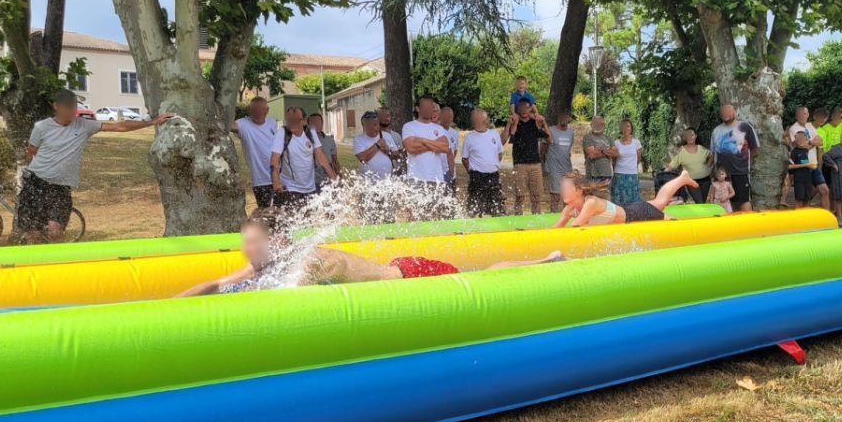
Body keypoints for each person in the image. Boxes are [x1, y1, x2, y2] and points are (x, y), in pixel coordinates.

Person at [177, 209, 564, 296]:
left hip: (411, 276)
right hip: (396, 272)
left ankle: (547, 261)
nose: (246, 250)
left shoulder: (307, 262)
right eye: (244, 241)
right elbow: (219, 283)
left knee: (481, 279)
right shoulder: (273, 262)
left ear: (275, 241)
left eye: (253, 242)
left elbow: (280, 302)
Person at [18, 88, 173, 242]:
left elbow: (120, 126)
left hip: (61, 187)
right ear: (56, 106)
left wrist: (153, 122)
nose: (71, 110)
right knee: (33, 234)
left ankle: (56, 255)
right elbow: (31, 153)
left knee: (55, 231)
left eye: (74, 106)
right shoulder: (42, 127)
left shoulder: (84, 125)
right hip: (36, 182)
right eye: (67, 106)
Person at [554, 170, 697, 227]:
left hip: (637, 213)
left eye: (566, 188)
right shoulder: (569, 209)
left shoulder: (590, 203)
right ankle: (682, 178)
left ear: (579, 190)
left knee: (674, 223)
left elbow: (575, 228)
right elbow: (554, 230)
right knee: (659, 202)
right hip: (628, 209)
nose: (562, 191)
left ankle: (682, 179)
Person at [270, 106, 338, 209]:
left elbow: (320, 156)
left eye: (296, 120)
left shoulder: (310, 132)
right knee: (293, 216)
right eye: (289, 120)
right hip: (290, 187)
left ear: (304, 121)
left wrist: (333, 177)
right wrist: (276, 182)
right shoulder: (282, 132)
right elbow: (274, 159)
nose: (292, 123)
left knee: (309, 216)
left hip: (310, 188)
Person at [504, 99, 551, 214]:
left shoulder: (534, 123)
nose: (524, 110)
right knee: (520, 195)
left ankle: (536, 217)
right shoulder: (515, 123)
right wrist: (511, 124)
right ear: (518, 109)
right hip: (520, 164)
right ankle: (518, 217)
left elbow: (549, 139)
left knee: (536, 196)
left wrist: (543, 123)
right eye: (522, 107)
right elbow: (509, 139)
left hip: (535, 164)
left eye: (527, 107)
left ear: (531, 108)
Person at [230, 96, 278, 208]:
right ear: (249, 111)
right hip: (261, 180)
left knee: (283, 212)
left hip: (279, 177)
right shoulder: (242, 124)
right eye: (254, 110)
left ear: (266, 110)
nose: (257, 113)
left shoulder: (272, 123)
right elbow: (227, 126)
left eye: (260, 110)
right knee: (266, 212)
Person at [709, 104, 759, 211]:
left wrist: (743, 160)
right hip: (721, 175)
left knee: (744, 200)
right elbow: (713, 153)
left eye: (728, 111)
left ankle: (748, 221)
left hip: (740, 172)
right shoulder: (716, 131)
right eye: (723, 112)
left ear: (734, 112)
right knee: (725, 202)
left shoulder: (745, 127)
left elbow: (755, 149)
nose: (725, 114)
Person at [461, 107, 505, 216]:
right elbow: (464, 158)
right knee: (475, 209)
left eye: (478, 119)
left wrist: (491, 165)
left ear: (485, 120)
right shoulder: (469, 137)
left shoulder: (494, 134)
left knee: (497, 207)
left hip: (493, 176)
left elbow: (499, 154)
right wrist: (472, 172)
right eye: (474, 119)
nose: (475, 122)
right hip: (477, 177)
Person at [401, 95, 450, 188]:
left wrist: (423, 140)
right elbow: (411, 148)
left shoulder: (439, 128)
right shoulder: (409, 126)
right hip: (416, 178)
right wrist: (435, 145)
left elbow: (445, 148)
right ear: (418, 108)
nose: (429, 109)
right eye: (425, 106)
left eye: (430, 106)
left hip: (437, 179)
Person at [787, 105, 830, 210]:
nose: (803, 116)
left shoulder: (810, 126)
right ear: (796, 116)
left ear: (808, 115)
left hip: (813, 164)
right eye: (800, 114)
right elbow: (801, 145)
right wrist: (812, 142)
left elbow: (821, 141)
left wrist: (809, 142)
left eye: (805, 114)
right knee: (803, 197)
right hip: (802, 167)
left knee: (824, 190)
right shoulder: (793, 128)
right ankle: (802, 216)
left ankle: (827, 216)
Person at [661, 128, 712, 203]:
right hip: (691, 181)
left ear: (696, 136)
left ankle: (700, 211)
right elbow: (672, 165)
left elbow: (711, 155)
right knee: (700, 202)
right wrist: (662, 174)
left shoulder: (701, 148)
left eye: (692, 135)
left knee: (702, 203)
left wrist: (708, 165)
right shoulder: (681, 151)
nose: (690, 137)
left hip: (705, 180)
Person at [542, 109, 575, 211]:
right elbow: (543, 149)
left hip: (567, 168)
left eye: (566, 116)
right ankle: (553, 216)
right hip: (554, 169)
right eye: (562, 116)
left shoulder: (571, 132)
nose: (564, 118)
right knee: (555, 196)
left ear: (569, 118)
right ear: (558, 117)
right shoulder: (550, 130)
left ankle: (566, 216)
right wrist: (545, 164)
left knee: (568, 196)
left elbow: (568, 150)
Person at [353, 110, 399, 179]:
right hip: (368, 181)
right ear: (364, 126)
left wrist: (388, 152)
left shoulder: (387, 136)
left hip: (387, 180)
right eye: (369, 126)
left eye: (375, 124)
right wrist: (377, 145)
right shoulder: (358, 139)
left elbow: (397, 155)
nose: (373, 128)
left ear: (378, 124)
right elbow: (362, 158)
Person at [582, 115, 617, 197]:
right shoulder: (588, 138)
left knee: (606, 199)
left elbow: (615, 154)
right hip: (593, 175)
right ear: (591, 125)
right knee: (593, 198)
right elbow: (592, 155)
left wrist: (601, 150)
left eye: (600, 124)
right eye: (595, 123)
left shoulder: (609, 138)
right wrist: (607, 152)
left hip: (607, 174)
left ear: (603, 125)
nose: (598, 125)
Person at [611, 119, 643, 206]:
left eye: (628, 126)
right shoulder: (616, 143)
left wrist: (631, 167)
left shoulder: (636, 142)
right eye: (623, 126)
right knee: (619, 201)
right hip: (619, 175)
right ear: (620, 128)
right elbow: (614, 160)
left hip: (632, 175)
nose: (626, 128)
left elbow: (638, 159)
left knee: (633, 201)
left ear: (631, 128)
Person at [307, 113, 338, 191]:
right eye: (313, 122)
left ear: (322, 123)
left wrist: (338, 175)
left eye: (318, 122)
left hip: (328, 180)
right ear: (308, 125)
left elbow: (335, 160)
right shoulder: (305, 140)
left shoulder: (330, 140)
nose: (316, 124)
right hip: (312, 182)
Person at [819, 107, 842, 194]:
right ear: (832, 116)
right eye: (837, 116)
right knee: (825, 185)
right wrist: (820, 165)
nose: (839, 119)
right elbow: (821, 149)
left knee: (835, 186)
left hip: (839, 161)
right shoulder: (824, 129)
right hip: (827, 160)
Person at [787, 131, 817, 209]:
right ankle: (798, 216)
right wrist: (805, 165)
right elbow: (789, 166)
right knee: (799, 200)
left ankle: (806, 216)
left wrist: (810, 165)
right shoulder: (794, 152)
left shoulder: (808, 150)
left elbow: (814, 166)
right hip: (799, 179)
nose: (800, 140)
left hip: (808, 178)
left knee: (807, 200)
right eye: (798, 138)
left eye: (802, 138)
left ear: (806, 139)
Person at [439, 105, 460, 193]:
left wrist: (450, 170)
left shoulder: (454, 133)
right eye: (445, 116)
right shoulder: (436, 131)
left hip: (451, 173)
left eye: (450, 117)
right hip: (439, 173)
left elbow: (454, 151)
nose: (448, 119)